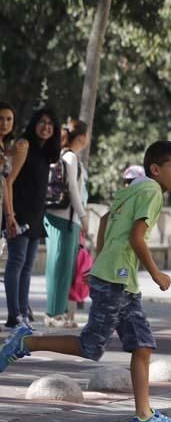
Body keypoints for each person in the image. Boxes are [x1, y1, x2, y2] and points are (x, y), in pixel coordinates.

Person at [0, 140, 171, 422]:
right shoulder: (152, 192)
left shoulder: (133, 189)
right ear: (156, 169)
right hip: (117, 281)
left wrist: (100, 262)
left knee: (142, 346)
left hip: (119, 280)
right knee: (91, 345)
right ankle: (26, 342)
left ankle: (144, 416)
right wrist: (156, 273)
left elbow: (104, 222)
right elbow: (138, 238)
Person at [3, 108, 61, 329]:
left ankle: (23, 313)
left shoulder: (45, 151)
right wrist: (10, 215)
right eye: (42, 122)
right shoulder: (24, 144)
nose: (46, 127)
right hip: (19, 213)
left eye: (51, 124)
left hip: (36, 215)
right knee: (16, 263)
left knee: (27, 266)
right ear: (34, 123)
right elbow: (8, 182)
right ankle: (14, 315)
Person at [42, 119, 90, 328]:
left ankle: (59, 312)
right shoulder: (70, 156)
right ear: (82, 137)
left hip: (66, 218)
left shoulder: (69, 156)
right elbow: (73, 189)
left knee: (64, 267)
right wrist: (83, 216)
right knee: (58, 266)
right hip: (63, 218)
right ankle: (53, 313)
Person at [0, 102, 16, 249]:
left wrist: (9, 215)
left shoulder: (5, 146)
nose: (4, 123)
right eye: (0, 118)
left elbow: (4, 182)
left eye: (9, 119)